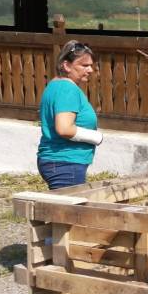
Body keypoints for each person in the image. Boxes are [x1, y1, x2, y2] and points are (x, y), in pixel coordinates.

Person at [37, 40, 103, 190]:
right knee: (67, 212)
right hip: (65, 162)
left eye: (91, 65)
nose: (90, 70)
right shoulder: (67, 89)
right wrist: (96, 137)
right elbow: (64, 129)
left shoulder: (56, 84)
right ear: (66, 66)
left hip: (60, 162)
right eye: (84, 65)